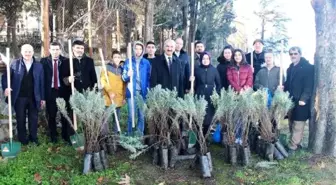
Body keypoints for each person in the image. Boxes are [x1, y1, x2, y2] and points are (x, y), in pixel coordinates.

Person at [2, 44, 45, 145]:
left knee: (33, 119)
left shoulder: (39, 66)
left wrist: (42, 98)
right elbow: (5, 78)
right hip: (19, 97)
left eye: (30, 51)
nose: (28, 53)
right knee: (20, 119)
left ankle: (33, 138)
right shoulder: (14, 64)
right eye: (25, 51)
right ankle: (22, 139)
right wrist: (6, 88)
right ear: (21, 52)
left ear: (33, 52)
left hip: (34, 97)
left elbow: (42, 82)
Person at [284, 46, 314, 154]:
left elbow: (309, 85)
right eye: (291, 54)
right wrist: (283, 87)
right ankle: (296, 143)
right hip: (291, 100)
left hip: (301, 101)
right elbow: (288, 83)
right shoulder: (290, 68)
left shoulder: (308, 68)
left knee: (298, 124)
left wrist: (304, 98)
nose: (293, 56)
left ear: (300, 54)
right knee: (291, 122)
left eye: (295, 53)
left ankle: (292, 147)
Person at [41, 42, 71, 143]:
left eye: (57, 49)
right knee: (52, 114)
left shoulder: (66, 61)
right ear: (49, 50)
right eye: (53, 49)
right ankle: (53, 135)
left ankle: (65, 135)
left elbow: (70, 74)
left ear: (60, 50)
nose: (55, 51)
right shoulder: (44, 61)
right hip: (50, 91)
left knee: (64, 114)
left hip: (63, 91)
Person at [122, 41, 151, 136]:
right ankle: (130, 135)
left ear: (142, 50)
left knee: (141, 115)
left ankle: (139, 134)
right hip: (132, 92)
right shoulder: (128, 62)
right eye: (136, 49)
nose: (138, 51)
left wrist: (148, 89)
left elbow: (149, 77)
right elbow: (123, 78)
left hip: (142, 93)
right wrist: (127, 75)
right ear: (133, 50)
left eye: (140, 49)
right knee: (131, 115)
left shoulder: (146, 63)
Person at [191, 52, 221, 134]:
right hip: (199, 94)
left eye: (207, 58)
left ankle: (205, 136)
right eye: (203, 59)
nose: (205, 60)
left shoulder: (214, 70)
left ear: (209, 59)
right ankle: (199, 137)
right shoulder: (196, 70)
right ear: (201, 60)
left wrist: (216, 94)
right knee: (199, 115)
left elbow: (218, 84)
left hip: (210, 95)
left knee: (208, 116)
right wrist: (191, 81)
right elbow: (192, 85)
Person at [101, 50, 126, 133]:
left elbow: (124, 85)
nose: (117, 59)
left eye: (119, 57)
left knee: (116, 118)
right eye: (115, 57)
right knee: (105, 119)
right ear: (112, 58)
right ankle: (105, 136)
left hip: (118, 98)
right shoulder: (106, 68)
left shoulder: (122, 69)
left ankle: (115, 136)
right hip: (108, 97)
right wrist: (109, 91)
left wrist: (124, 97)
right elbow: (103, 81)